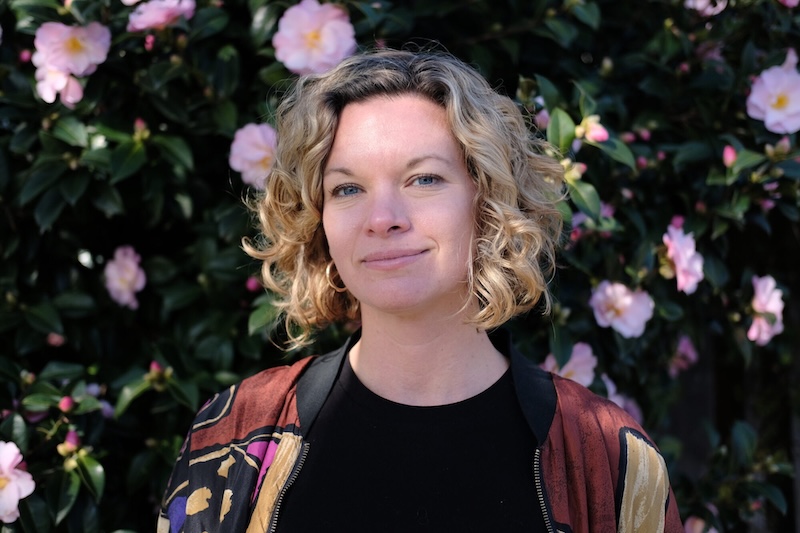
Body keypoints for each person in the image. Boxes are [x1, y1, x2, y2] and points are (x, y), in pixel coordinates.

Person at [157, 49, 683, 533]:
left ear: (488, 198)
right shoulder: (233, 436)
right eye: (347, 188)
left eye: (424, 179)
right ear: (319, 219)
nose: (383, 218)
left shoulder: (603, 454)